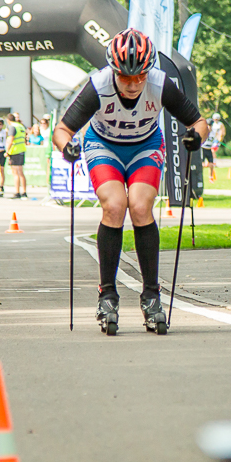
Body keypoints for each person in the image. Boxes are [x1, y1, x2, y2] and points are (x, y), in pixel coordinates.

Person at [52, 28, 209, 335]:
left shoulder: (160, 84)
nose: (135, 83)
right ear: (114, 70)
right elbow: (62, 129)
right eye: (126, 77)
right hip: (104, 146)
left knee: (139, 206)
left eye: (140, 76)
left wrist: (195, 137)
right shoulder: (97, 86)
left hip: (145, 146)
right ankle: (107, 295)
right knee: (114, 205)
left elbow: (199, 122)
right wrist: (66, 147)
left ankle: (151, 295)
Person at [6, 113, 28, 199]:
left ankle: (17, 192)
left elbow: (10, 140)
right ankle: (24, 192)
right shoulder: (21, 126)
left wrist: (7, 151)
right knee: (21, 173)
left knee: (15, 173)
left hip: (15, 151)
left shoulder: (12, 127)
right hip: (21, 150)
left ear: (8, 120)